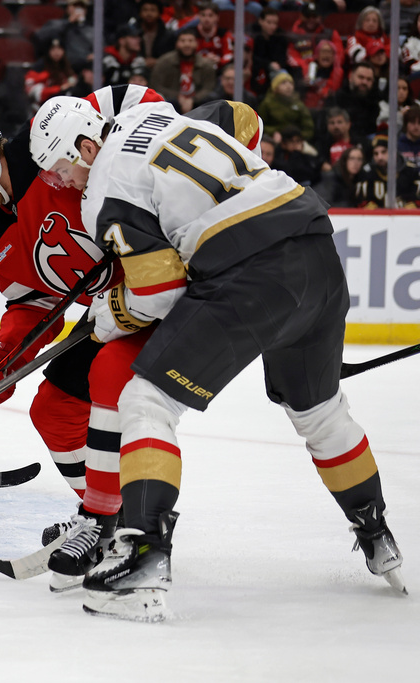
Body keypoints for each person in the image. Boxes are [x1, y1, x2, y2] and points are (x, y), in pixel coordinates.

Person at [29, 94, 405, 621]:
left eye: (61, 168)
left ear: (87, 146)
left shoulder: (103, 190)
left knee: (145, 399)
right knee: (321, 413)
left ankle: (142, 557)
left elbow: (158, 291)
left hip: (250, 272)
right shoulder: (155, 117)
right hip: (314, 243)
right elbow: (241, 118)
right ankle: (377, 534)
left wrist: (108, 313)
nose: (61, 182)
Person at [0, 85, 168, 591]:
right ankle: (105, 513)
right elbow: (33, 306)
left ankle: (133, 525)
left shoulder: (49, 150)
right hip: (108, 311)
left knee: (117, 397)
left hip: (157, 286)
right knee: (53, 410)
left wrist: (177, 133)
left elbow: (137, 97)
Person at [150, 28, 217, 113]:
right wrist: (177, 96)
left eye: (190, 41)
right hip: (172, 103)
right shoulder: (164, 62)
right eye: (183, 41)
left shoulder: (206, 64)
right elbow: (156, 86)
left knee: (212, 98)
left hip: (198, 103)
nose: (187, 44)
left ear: (197, 44)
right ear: (176, 44)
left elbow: (208, 87)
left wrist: (193, 99)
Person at [355, 134, 420, 208]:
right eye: (376, 154)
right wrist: (368, 206)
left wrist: (414, 205)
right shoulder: (368, 173)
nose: (380, 157)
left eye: (384, 152)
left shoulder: (411, 171)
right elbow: (360, 201)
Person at [325, 63, 380, 140]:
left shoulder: (375, 104)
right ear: (350, 77)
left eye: (369, 79)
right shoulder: (336, 99)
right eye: (361, 77)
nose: (364, 82)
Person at [25, 39, 80, 113]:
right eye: (53, 49)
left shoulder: (67, 66)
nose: (56, 52)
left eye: (59, 49)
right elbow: (35, 93)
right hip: (43, 108)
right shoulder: (40, 67)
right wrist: (59, 89)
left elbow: (72, 80)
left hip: (64, 106)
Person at [259, 71, 315, 140]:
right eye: (283, 83)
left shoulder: (298, 104)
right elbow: (260, 125)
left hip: (296, 140)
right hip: (272, 138)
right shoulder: (267, 103)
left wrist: (299, 137)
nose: (288, 86)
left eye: (291, 83)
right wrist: (273, 132)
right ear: (275, 87)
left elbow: (308, 127)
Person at [133, 0, 177, 71]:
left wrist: (158, 61)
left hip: (162, 70)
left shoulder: (169, 35)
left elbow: (173, 56)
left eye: (153, 10)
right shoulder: (132, 33)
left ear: (159, 13)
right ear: (140, 13)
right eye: (145, 10)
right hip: (136, 70)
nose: (149, 13)